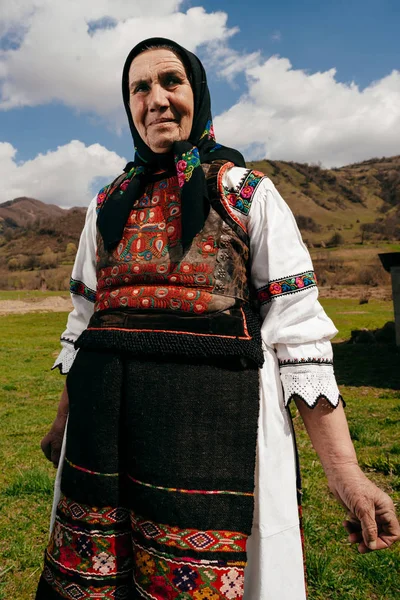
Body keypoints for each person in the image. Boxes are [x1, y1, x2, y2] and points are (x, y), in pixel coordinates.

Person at [35, 37, 400, 600]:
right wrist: (64, 420)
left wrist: (345, 474)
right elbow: (85, 320)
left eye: (171, 82)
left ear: (197, 93)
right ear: (128, 106)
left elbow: (298, 336)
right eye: (140, 88)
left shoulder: (247, 194)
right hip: (101, 437)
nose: (156, 99)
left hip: (214, 437)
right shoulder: (105, 204)